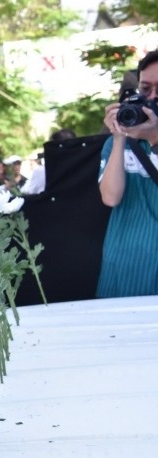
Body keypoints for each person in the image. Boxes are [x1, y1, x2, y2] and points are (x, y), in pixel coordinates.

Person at [96, 49, 158, 298]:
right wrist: (120, 136)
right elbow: (110, 197)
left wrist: (154, 139)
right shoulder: (114, 144)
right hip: (123, 262)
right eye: (146, 89)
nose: (152, 97)